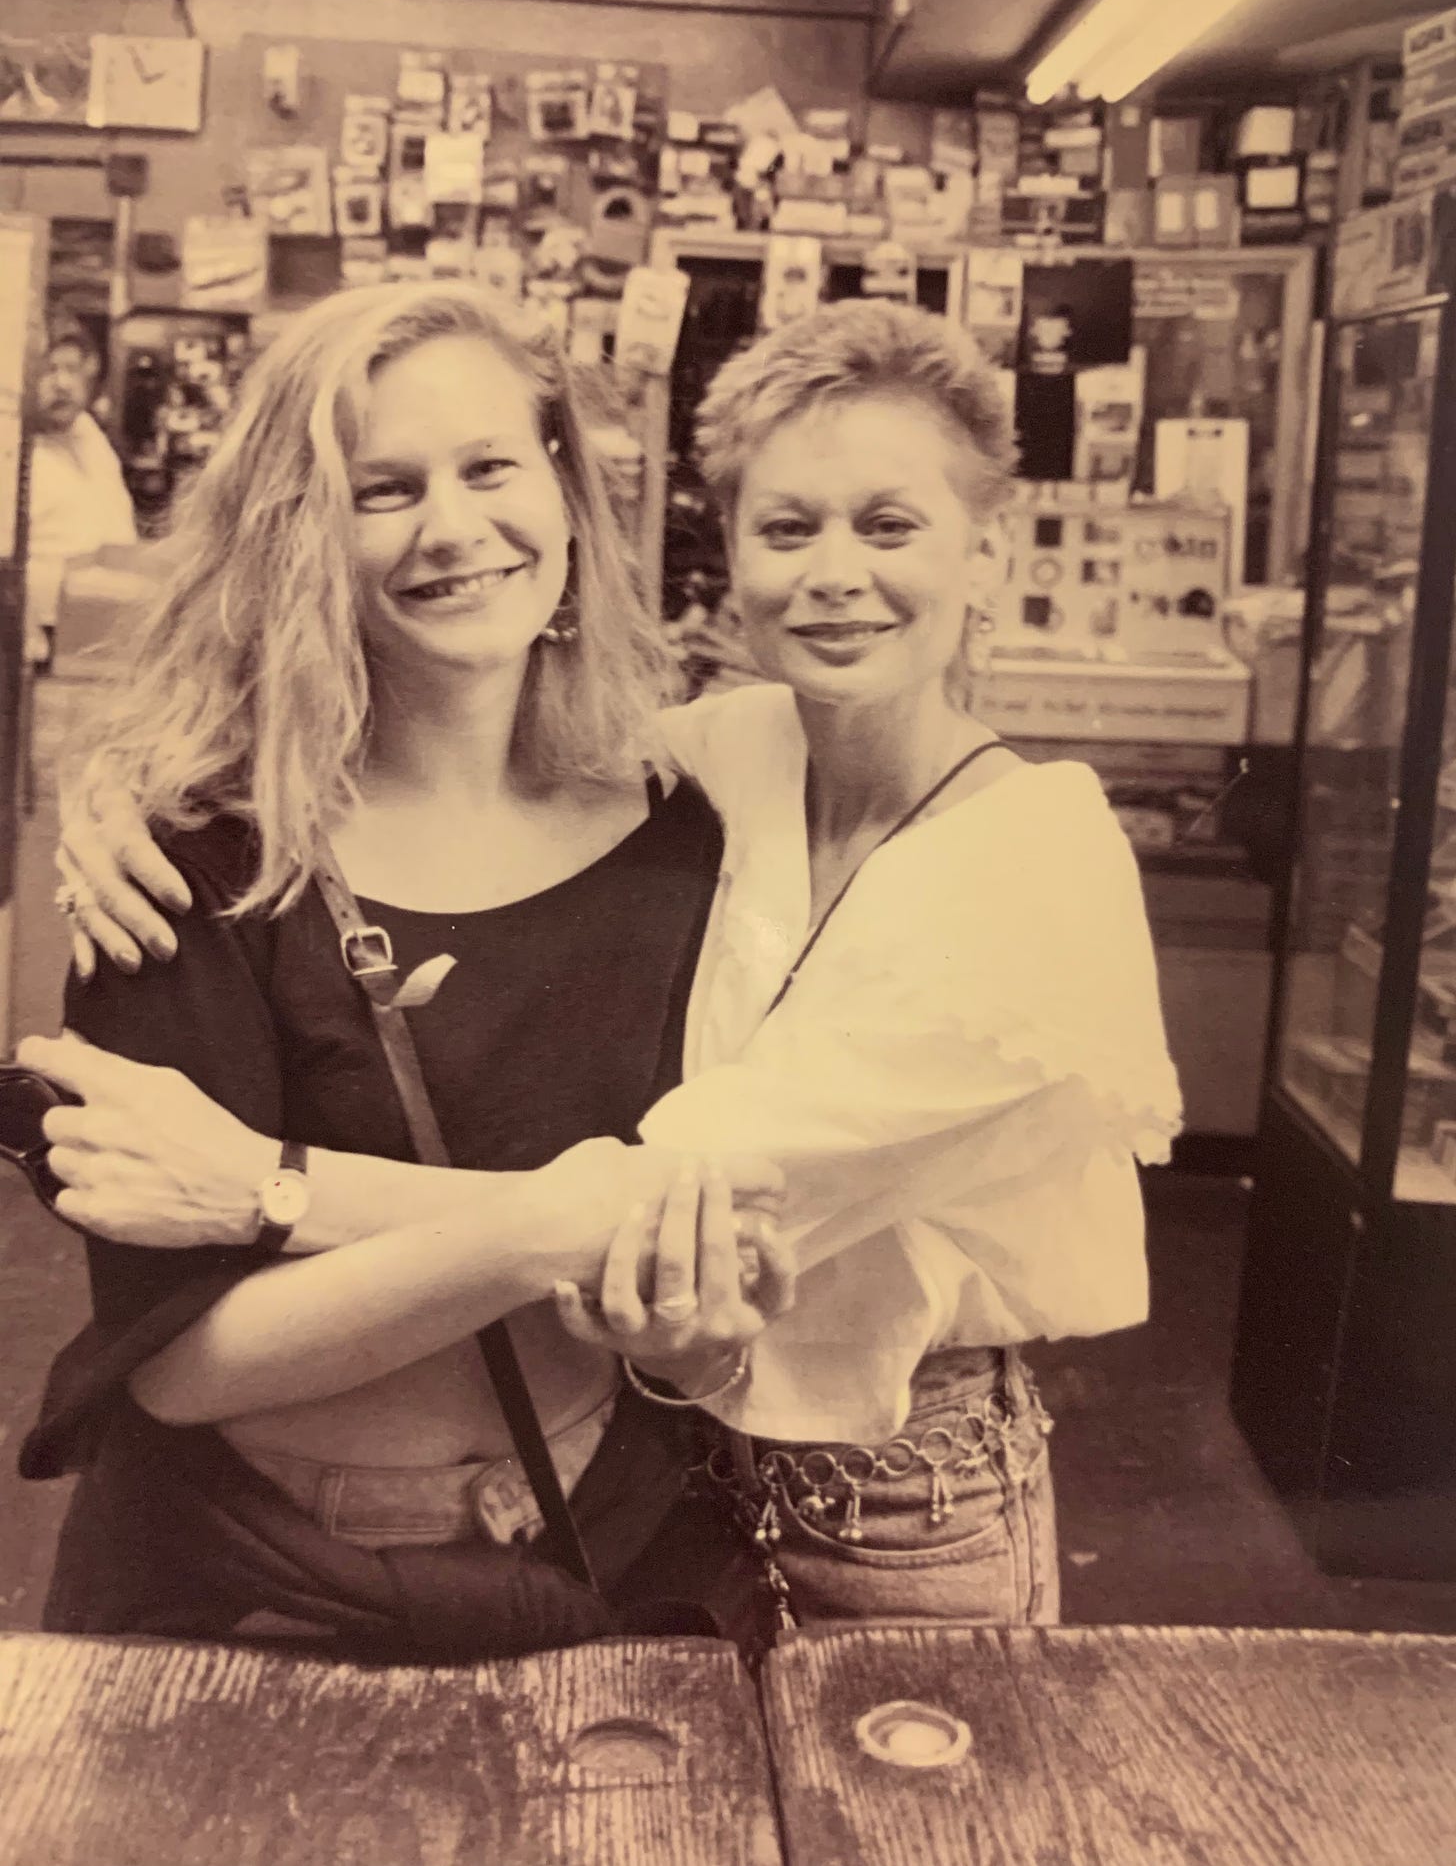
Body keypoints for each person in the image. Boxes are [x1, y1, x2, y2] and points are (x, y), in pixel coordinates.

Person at [25, 298, 1182, 1640]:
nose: (835, 573)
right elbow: (170, 1357)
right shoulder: (717, 770)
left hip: (872, 1506)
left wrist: (263, 1187)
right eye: (788, 527)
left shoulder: (984, 858)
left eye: (891, 523)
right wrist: (112, 781)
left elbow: (661, 1211)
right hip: (493, 1525)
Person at [15, 278, 792, 1662]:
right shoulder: (189, 867)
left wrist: (687, 1330)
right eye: (383, 489)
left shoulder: (686, 842)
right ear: (300, 533)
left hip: (604, 1557)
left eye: (491, 466)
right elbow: (184, 1364)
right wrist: (547, 1226)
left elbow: (697, 1292)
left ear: (563, 486)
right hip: (251, 1594)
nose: (456, 528)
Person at [26, 315, 137, 665]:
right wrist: (25, 634)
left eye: (72, 369)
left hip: (104, 627)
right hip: (37, 640)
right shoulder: (10, 448)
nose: (63, 384)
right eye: (48, 370)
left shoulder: (87, 433)